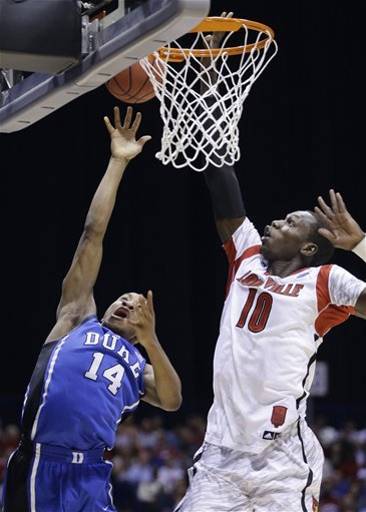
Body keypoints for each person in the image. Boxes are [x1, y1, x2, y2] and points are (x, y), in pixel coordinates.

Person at [175, 14, 366, 512]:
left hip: (283, 460)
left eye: (286, 224)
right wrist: (212, 70)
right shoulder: (245, 257)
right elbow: (220, 175)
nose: (272, 224)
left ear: (307, 247)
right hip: (219, 455)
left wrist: (362, 245)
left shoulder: (326, 280)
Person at [2, 106, 182, 512]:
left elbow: (173, 400)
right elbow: (92, 234)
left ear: (144, 324)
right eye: (124, 297)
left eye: (137, 304)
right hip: (41, 465)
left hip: (92, 475)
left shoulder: (140, 365)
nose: (126, 302)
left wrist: (151, 341)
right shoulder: (77, 317)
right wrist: (117, 161)